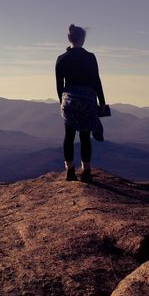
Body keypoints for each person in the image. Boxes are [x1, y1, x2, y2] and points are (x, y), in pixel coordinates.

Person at [55, 24, 106, 182]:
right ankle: (86, 171)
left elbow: (59, 85)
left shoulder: (61, 59)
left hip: (69, 101)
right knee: (85, 136)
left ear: (69, 38)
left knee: (68, 136)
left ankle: (70, 170)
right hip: (87, 101)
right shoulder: (90, 57)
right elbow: (96, 81)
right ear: (82, 39)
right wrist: (102, 102)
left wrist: (62, 102)